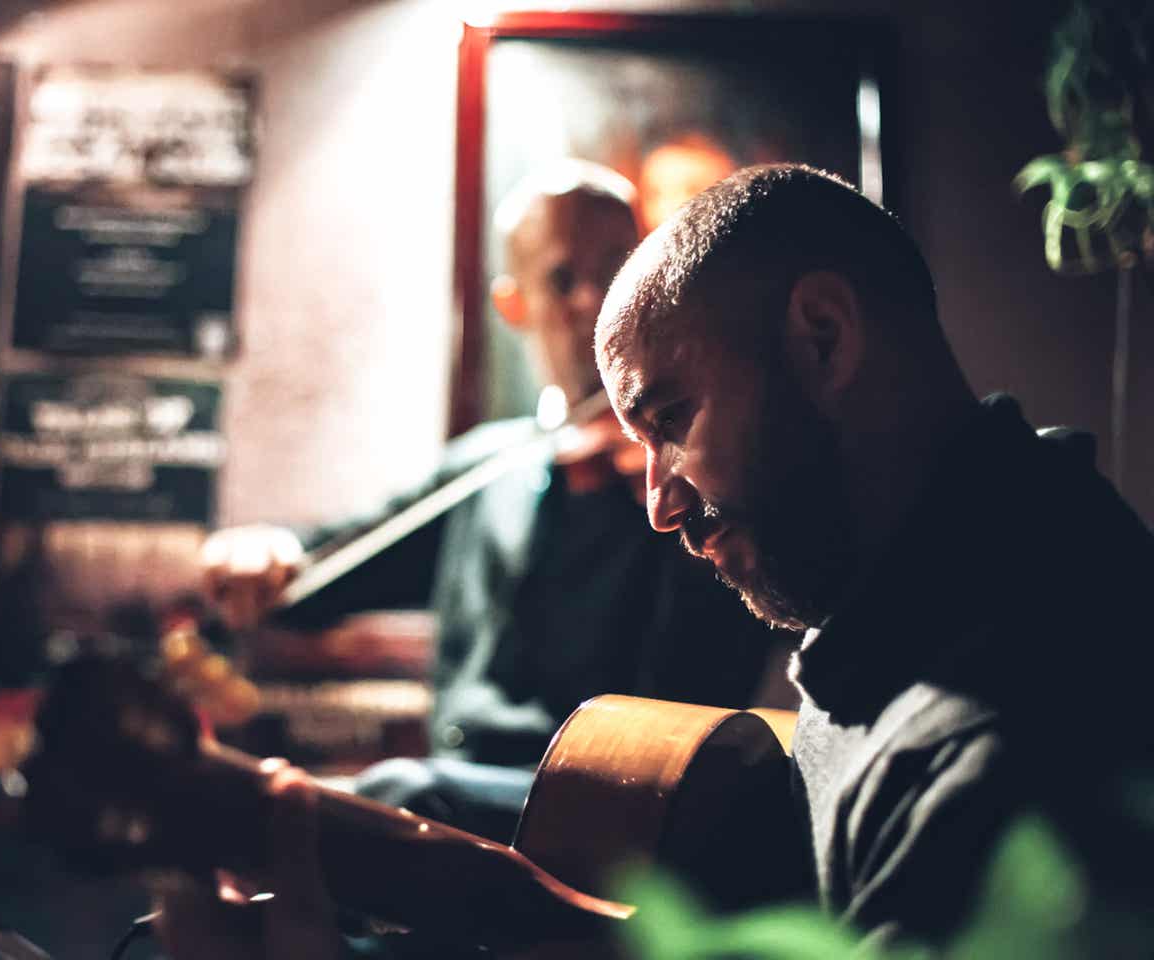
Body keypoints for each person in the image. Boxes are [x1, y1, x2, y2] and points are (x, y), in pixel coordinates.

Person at [157, 163, 1154, 957]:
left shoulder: (1004, 724)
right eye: (637, 438)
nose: (659, 501)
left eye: (672, 419)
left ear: (821, 336)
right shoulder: (894, 624)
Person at [196, 160, 787, 838]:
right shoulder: (490, 465)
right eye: (562, 278)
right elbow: (340, 562)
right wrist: (270, 551)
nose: (593, 298)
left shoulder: (698, 468)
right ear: (515, 304)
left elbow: (729, 660)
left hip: (629, 807)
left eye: (617, 270)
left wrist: (687, 501)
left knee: (397, 797)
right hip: (471, 797)